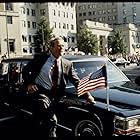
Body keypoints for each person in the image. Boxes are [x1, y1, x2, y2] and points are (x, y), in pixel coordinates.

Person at [22, 37, 95, 137]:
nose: (61, 48)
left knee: (40, 121)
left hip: (57, 97)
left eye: (63, 46)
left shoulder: (67, 64)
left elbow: (76, 81)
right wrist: (29, 84)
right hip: (41, 93)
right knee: (52, 120)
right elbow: (25, 70)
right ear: (51, 48)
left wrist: (88, 96)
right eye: (58, 46)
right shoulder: (41, 59)